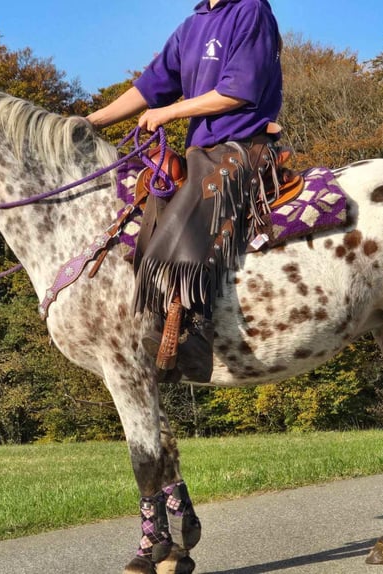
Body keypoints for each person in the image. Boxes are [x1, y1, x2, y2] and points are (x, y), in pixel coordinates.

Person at [87, 0, 283, 382]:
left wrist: (169, 113)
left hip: (243, 144)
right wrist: (88, 122)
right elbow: (149, 88)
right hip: (202, 149)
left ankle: (193, 332)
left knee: (184, 219)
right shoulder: (192, 25)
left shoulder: (251, 9)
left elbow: (238, 91)